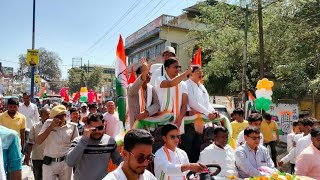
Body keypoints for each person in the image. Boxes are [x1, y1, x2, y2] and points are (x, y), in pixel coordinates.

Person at [66, 113, 123, 180]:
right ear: (87, 126)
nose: (97, 131)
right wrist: (84, 140)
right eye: (93, 128)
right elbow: (70, 162)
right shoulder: (78, 141)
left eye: (100, 128)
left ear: (104, 125)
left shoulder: (110, 141)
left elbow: (118, 160)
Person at [36, 105, 79, 180]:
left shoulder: (73, 127)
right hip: (50, 163)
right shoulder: (48, 124)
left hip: (65, 163)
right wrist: (51, 127)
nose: (58, 120)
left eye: (60, 118)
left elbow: (76, 145)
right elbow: (39, 141)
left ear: (65, 116)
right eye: (55, 118)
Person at [127, 58, 160, 128]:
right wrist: (145, 73)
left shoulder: (151, 88)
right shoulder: (130, 87)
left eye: (149, 73)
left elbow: (156, 104)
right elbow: (133, 90)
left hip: (148, 127)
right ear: (138, 76)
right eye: (145, 73)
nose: (148, 75)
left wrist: (147, 112)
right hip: (134, 126)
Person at [185, 65, 219, 132]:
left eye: (201, 71)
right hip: (190, 123)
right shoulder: (186, 84)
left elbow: (207, 102)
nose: (201, 73)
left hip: (203, 121)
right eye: (198, 71)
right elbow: (192, 103)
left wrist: (213, 111)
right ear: (190, 73)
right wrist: (208, 113)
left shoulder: (201, 86)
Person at [23, 108, 50, 180]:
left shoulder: (53, 127)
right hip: (38, 158)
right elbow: (30, 143)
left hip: (50, 158)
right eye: (46, 114)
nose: (49, 116)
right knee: (38, 177)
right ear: (41, 116)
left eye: (49, 114)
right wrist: (28, 157)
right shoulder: (35, 127)